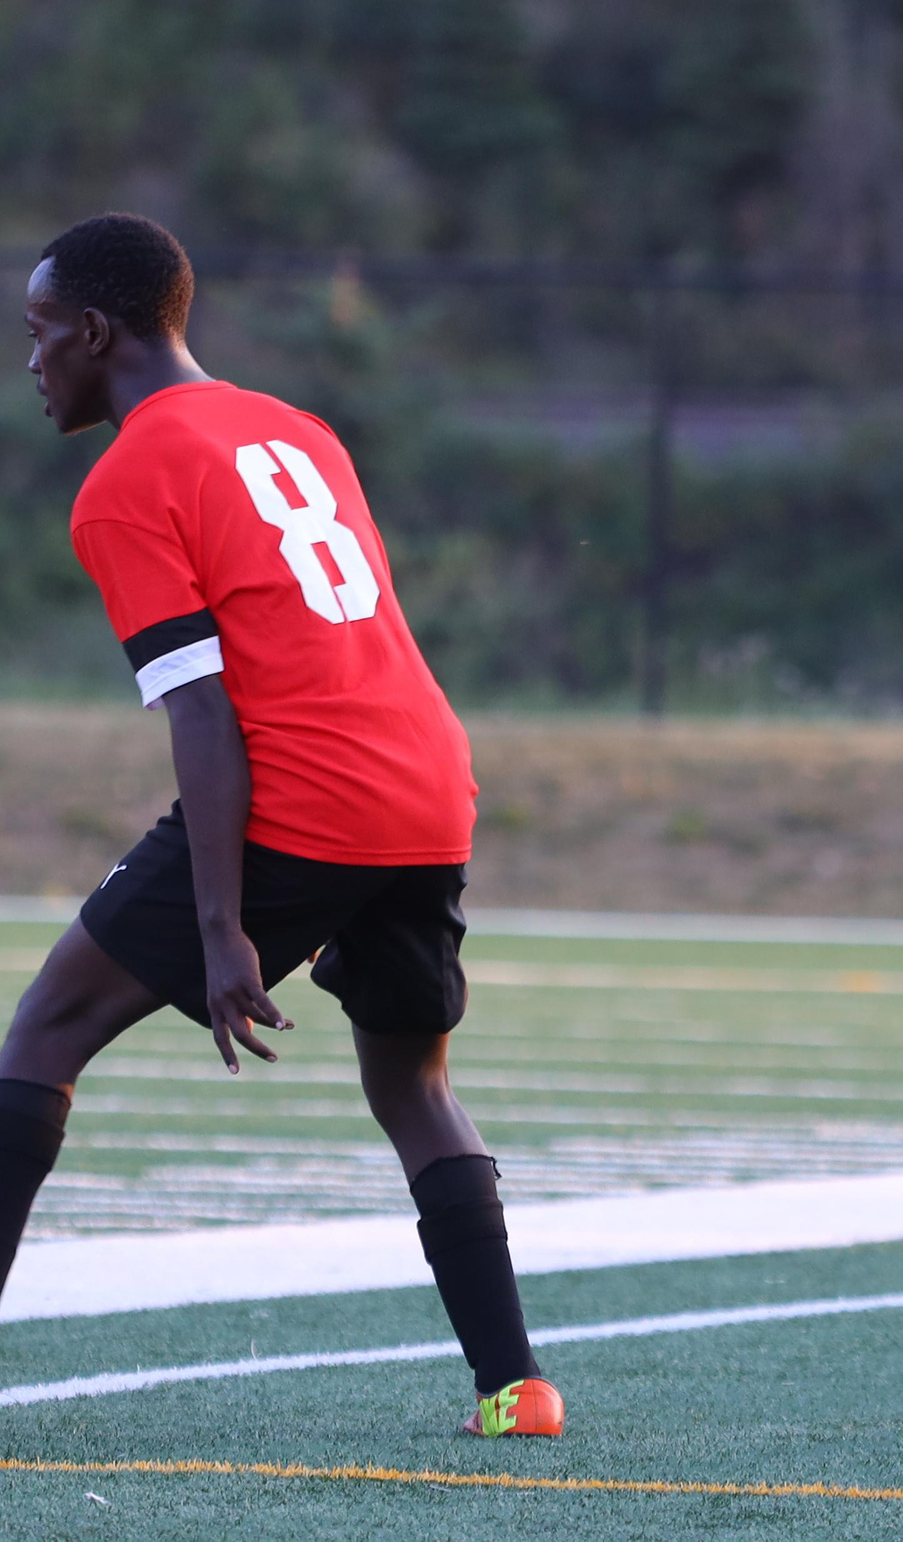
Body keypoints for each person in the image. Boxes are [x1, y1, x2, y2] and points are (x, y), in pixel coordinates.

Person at [0, 214, 559, 1439]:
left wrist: (219, 931)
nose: (30, 362)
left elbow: (201, 712)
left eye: (39, 335)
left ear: (95, 333)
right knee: (413, 1080)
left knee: (41, 1034)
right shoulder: (297, 427)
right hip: (428, 783)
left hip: (306, 793)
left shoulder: (127, 479)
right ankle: (517, 1390)